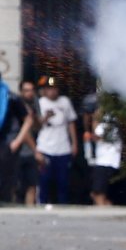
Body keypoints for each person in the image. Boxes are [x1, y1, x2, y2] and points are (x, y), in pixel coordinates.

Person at [35, 76, 78, 204]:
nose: (52, 92)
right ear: (45, 90)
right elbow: (35, 125)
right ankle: (42, 203)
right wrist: (46, 117)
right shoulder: (40, 102)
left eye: (54, 89)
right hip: (45, 146)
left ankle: (63, 204)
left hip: (63, 147)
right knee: (44, 179)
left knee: (63, 180)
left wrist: (74, 143)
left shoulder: (65, 102)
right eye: (49, 89)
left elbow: (71, 122)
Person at [0, 75, 32, 203]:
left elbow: (28, 120)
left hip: (7, 142)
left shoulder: (10, 97)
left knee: (5, 177)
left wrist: (18, 140)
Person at [88, 106, 122, 206]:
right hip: (106, 160)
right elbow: (97, 135)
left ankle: (104, 208)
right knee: (98, 192)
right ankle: (104, 207)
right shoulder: (108, 117)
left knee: (101, 193)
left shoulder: (111, 120)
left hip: (110, 160)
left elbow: (97, 136)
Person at [16, 81, 42, 205]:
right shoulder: (16, 104)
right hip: (18, 151)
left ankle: (30, 210)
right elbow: (24, 132)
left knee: (32, 184)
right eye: (26, 90)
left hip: (30, 151)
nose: (30, 93)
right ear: (21, 92)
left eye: (32, 90)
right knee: (17, 185)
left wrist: (36, 118)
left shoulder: (35, 104)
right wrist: (35, 150)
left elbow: (36, 127)